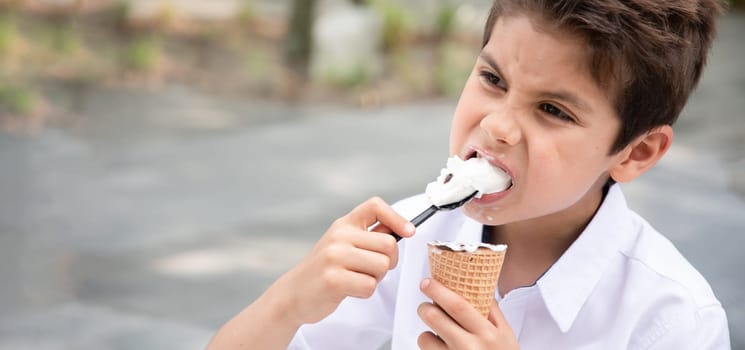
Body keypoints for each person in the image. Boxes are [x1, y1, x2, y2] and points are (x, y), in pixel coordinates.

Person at [207, 0, 731, 348]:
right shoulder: (406, 241)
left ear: (635, 154)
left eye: (553, 110)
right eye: (492, 78)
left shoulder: (673, 318)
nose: (499, 126)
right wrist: (289, 301)